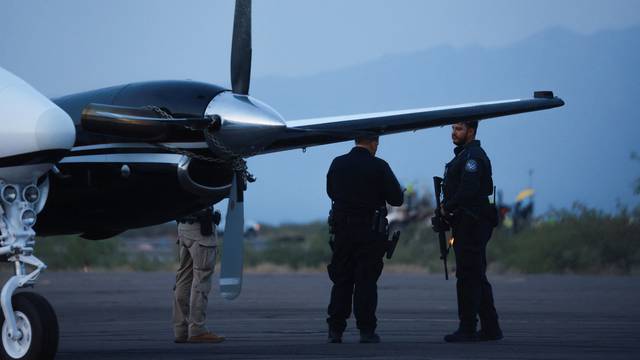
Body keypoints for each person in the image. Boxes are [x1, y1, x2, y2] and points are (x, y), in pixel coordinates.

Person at [326, 135, 404, 344]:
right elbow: (397, 198)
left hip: (342, 232)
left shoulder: (337, 163)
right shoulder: (379, 166)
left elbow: (330, 191)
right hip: (370, 233)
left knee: (341, 280)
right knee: (366, 282)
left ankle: (335, 330)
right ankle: (366, 331)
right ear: (374, 142)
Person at [435, 121, 503, 342]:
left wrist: (447, 207)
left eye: (458, 129)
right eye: (453, 129)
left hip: (472, 223)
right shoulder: (465, 155)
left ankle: (468, 328)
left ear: (471, 131)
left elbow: (468, 190)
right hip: (467, 222)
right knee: (476, 274)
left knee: (468, 276)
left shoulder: (473, 157)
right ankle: (491, 328)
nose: (453, 133)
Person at [173, 207, 225, 343]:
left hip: (183, 227)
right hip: (200, 229)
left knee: (183, 278)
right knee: (202, 279)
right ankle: (197, 329)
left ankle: (180, 331)